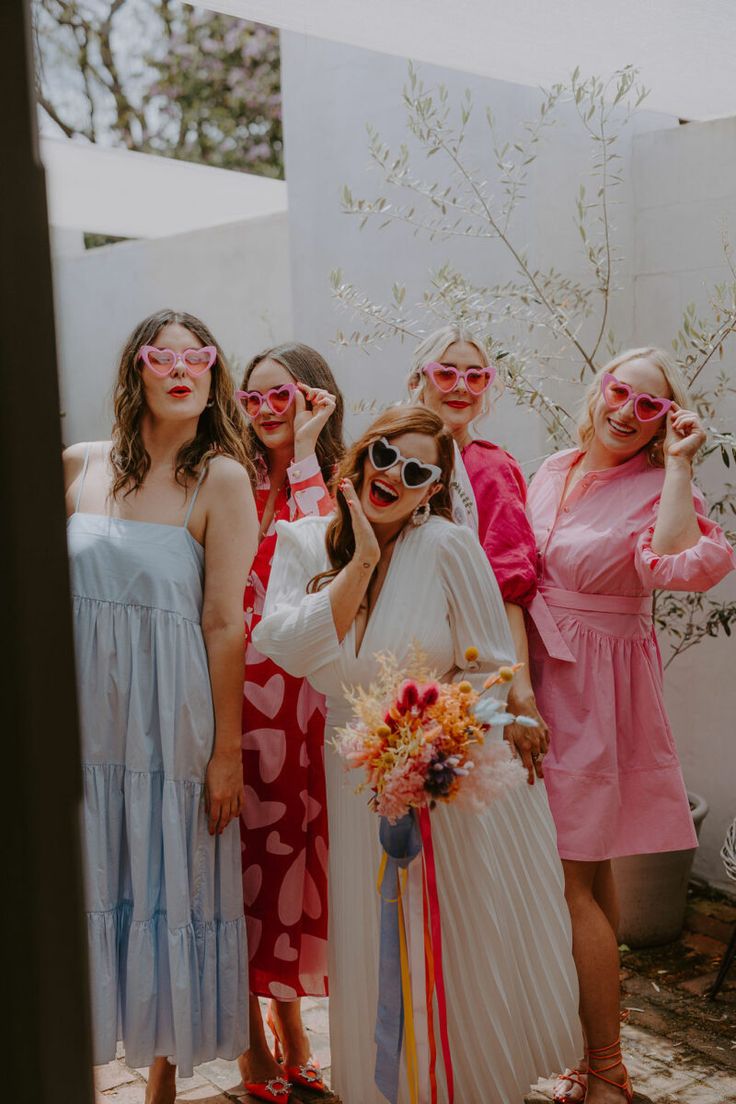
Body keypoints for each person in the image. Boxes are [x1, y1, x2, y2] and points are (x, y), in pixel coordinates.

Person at [253, 407, 580, 1104]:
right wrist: (362, 560)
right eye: (383, 457)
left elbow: (490, 667)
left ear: (433, 487)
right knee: (372, 935)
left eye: (416, 470)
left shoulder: (449, 547)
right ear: (361, 456)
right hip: (352, 772)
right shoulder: (306, 541)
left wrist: (442, 738)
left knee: (447, 939)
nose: (392, 477)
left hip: (440, 778)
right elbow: (283, 642)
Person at [526, 348, 736, 1103]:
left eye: (650, 407)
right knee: (591, 875)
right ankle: (602, 1060)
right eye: (621, 392)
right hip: (535, 676)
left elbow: (680, 562)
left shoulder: (655, 484)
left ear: (664, 423)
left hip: (594, 693)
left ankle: (608, 1069)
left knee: (568, 880)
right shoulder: (551, 466)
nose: (627, 411)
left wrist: (679, 465)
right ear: (599, 389)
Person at [64, 309, 258, 1104]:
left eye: (199, 357)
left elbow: (223, 623)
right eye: (162, 356)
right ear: (135, 369)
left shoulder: (221, 478)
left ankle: (161, 1084)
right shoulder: (78, 464)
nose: (182, 369)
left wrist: (225, 752)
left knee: (165, 878)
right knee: (87, 874)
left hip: (169, 722)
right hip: (80, 721)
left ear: (214, 374)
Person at [235, 344, 344, 1104]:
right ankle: (254, 1046)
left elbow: (326, 562)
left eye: (288, 396)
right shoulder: (226, 480)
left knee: (288, 866)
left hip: (303, 701)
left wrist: (305, 454)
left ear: (317, 399)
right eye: (256, 399)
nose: (272, 410)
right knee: (237, 868)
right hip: (230, 695)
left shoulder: (339, 479)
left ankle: (295, 1027)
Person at [410, 325, 548, 785]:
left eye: (476, 377)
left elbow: (509, 589)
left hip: (470, 666)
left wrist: (520, 692)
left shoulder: (491, 469)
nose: (461, 388)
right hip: (403, 656)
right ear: (419, 380)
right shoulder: (392, 460)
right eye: (446, 374)